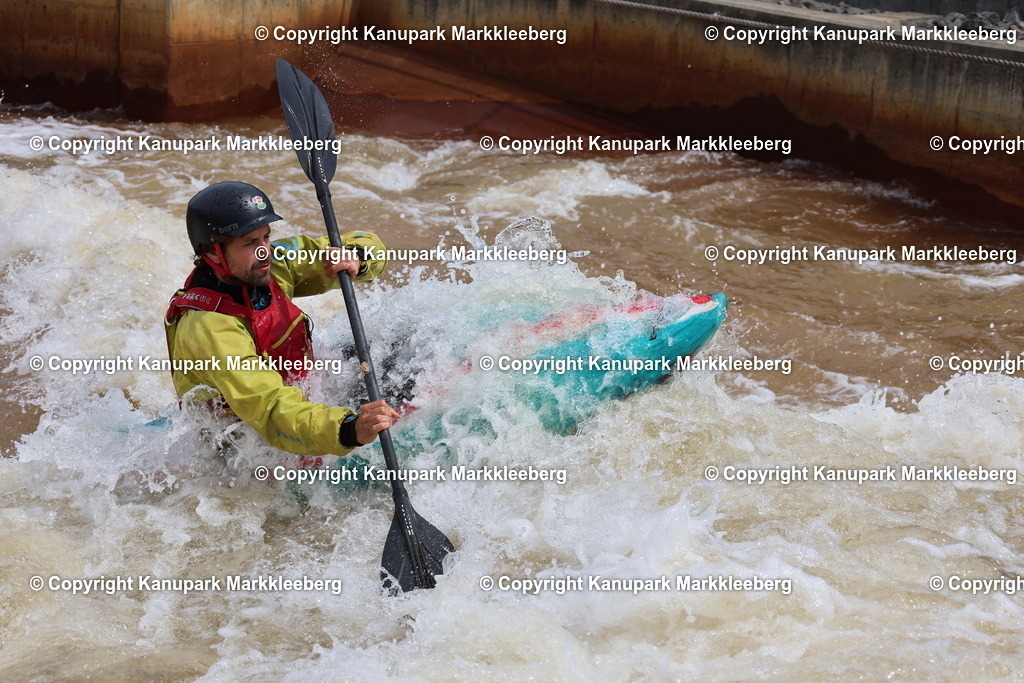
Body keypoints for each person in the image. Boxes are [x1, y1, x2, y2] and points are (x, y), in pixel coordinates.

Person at [164, 181, 399, 461]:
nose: (265, 251)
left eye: (266, 236)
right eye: (250, 243)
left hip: (294, 404)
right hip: (245, 449)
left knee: (403, 351)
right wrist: (349, 429)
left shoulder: (267, 264)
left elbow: (367, 243)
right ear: (214, 252)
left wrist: (356, 258)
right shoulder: (209, 327)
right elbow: (270, 408)